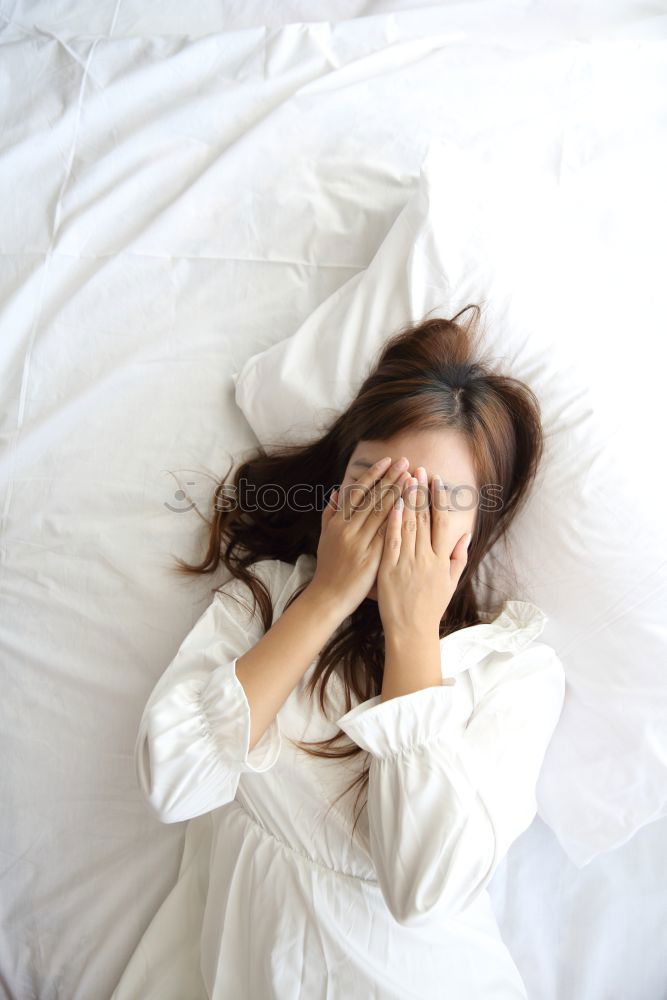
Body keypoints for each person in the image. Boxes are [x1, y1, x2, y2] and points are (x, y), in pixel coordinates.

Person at [112, 305, 566, 999]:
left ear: (477, 528)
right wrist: (323, 597)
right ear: (334, 489)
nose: (394, 520)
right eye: (373, 484)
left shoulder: (511, 671)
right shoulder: (266, 601)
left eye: (431, 500)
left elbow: (423, 890)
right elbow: (172, 781)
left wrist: (413, 634)